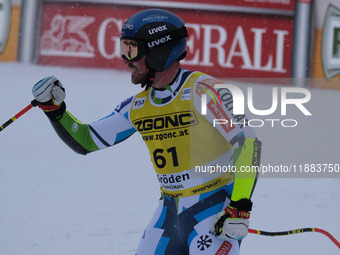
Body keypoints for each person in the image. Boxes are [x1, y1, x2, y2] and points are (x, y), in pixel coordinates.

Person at [32, 8, 261, 255]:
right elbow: (86, 140)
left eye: (132, 49)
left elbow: (249, 144)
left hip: (213, 212)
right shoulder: (138, 106)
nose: (125, 59)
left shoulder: (204, 90)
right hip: (169, 213)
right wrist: (54, 110)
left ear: (158, 51)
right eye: (123, 48)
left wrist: (239, 207)